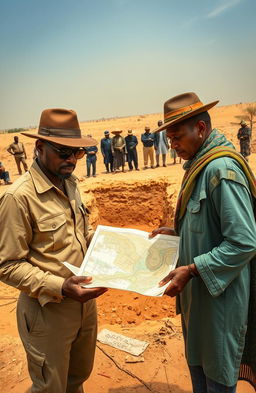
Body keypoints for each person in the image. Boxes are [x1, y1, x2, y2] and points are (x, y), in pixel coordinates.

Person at [150, 92, 256, 393]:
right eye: (169, 138)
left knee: (218, 379)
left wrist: (193, 269)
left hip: (220, 301)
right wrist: (178, 232)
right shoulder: (200, 165)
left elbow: (244, 242)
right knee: (201, 373)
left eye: (177, 136)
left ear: (200, 127)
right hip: (199, 299)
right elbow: (210, 226)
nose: (172, 145)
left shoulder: (220, 170)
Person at [0, 108, 107, 393]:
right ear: (39, 147)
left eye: (78, 153)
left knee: (76, 379)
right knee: (51, 386)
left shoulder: (70, 183)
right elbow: (7, 265)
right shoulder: (18, 197)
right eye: (63, 152)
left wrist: (111, 243)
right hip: (48, 311)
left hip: (83, 306)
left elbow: (75, 235)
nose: (72, 160)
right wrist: (61, 286)